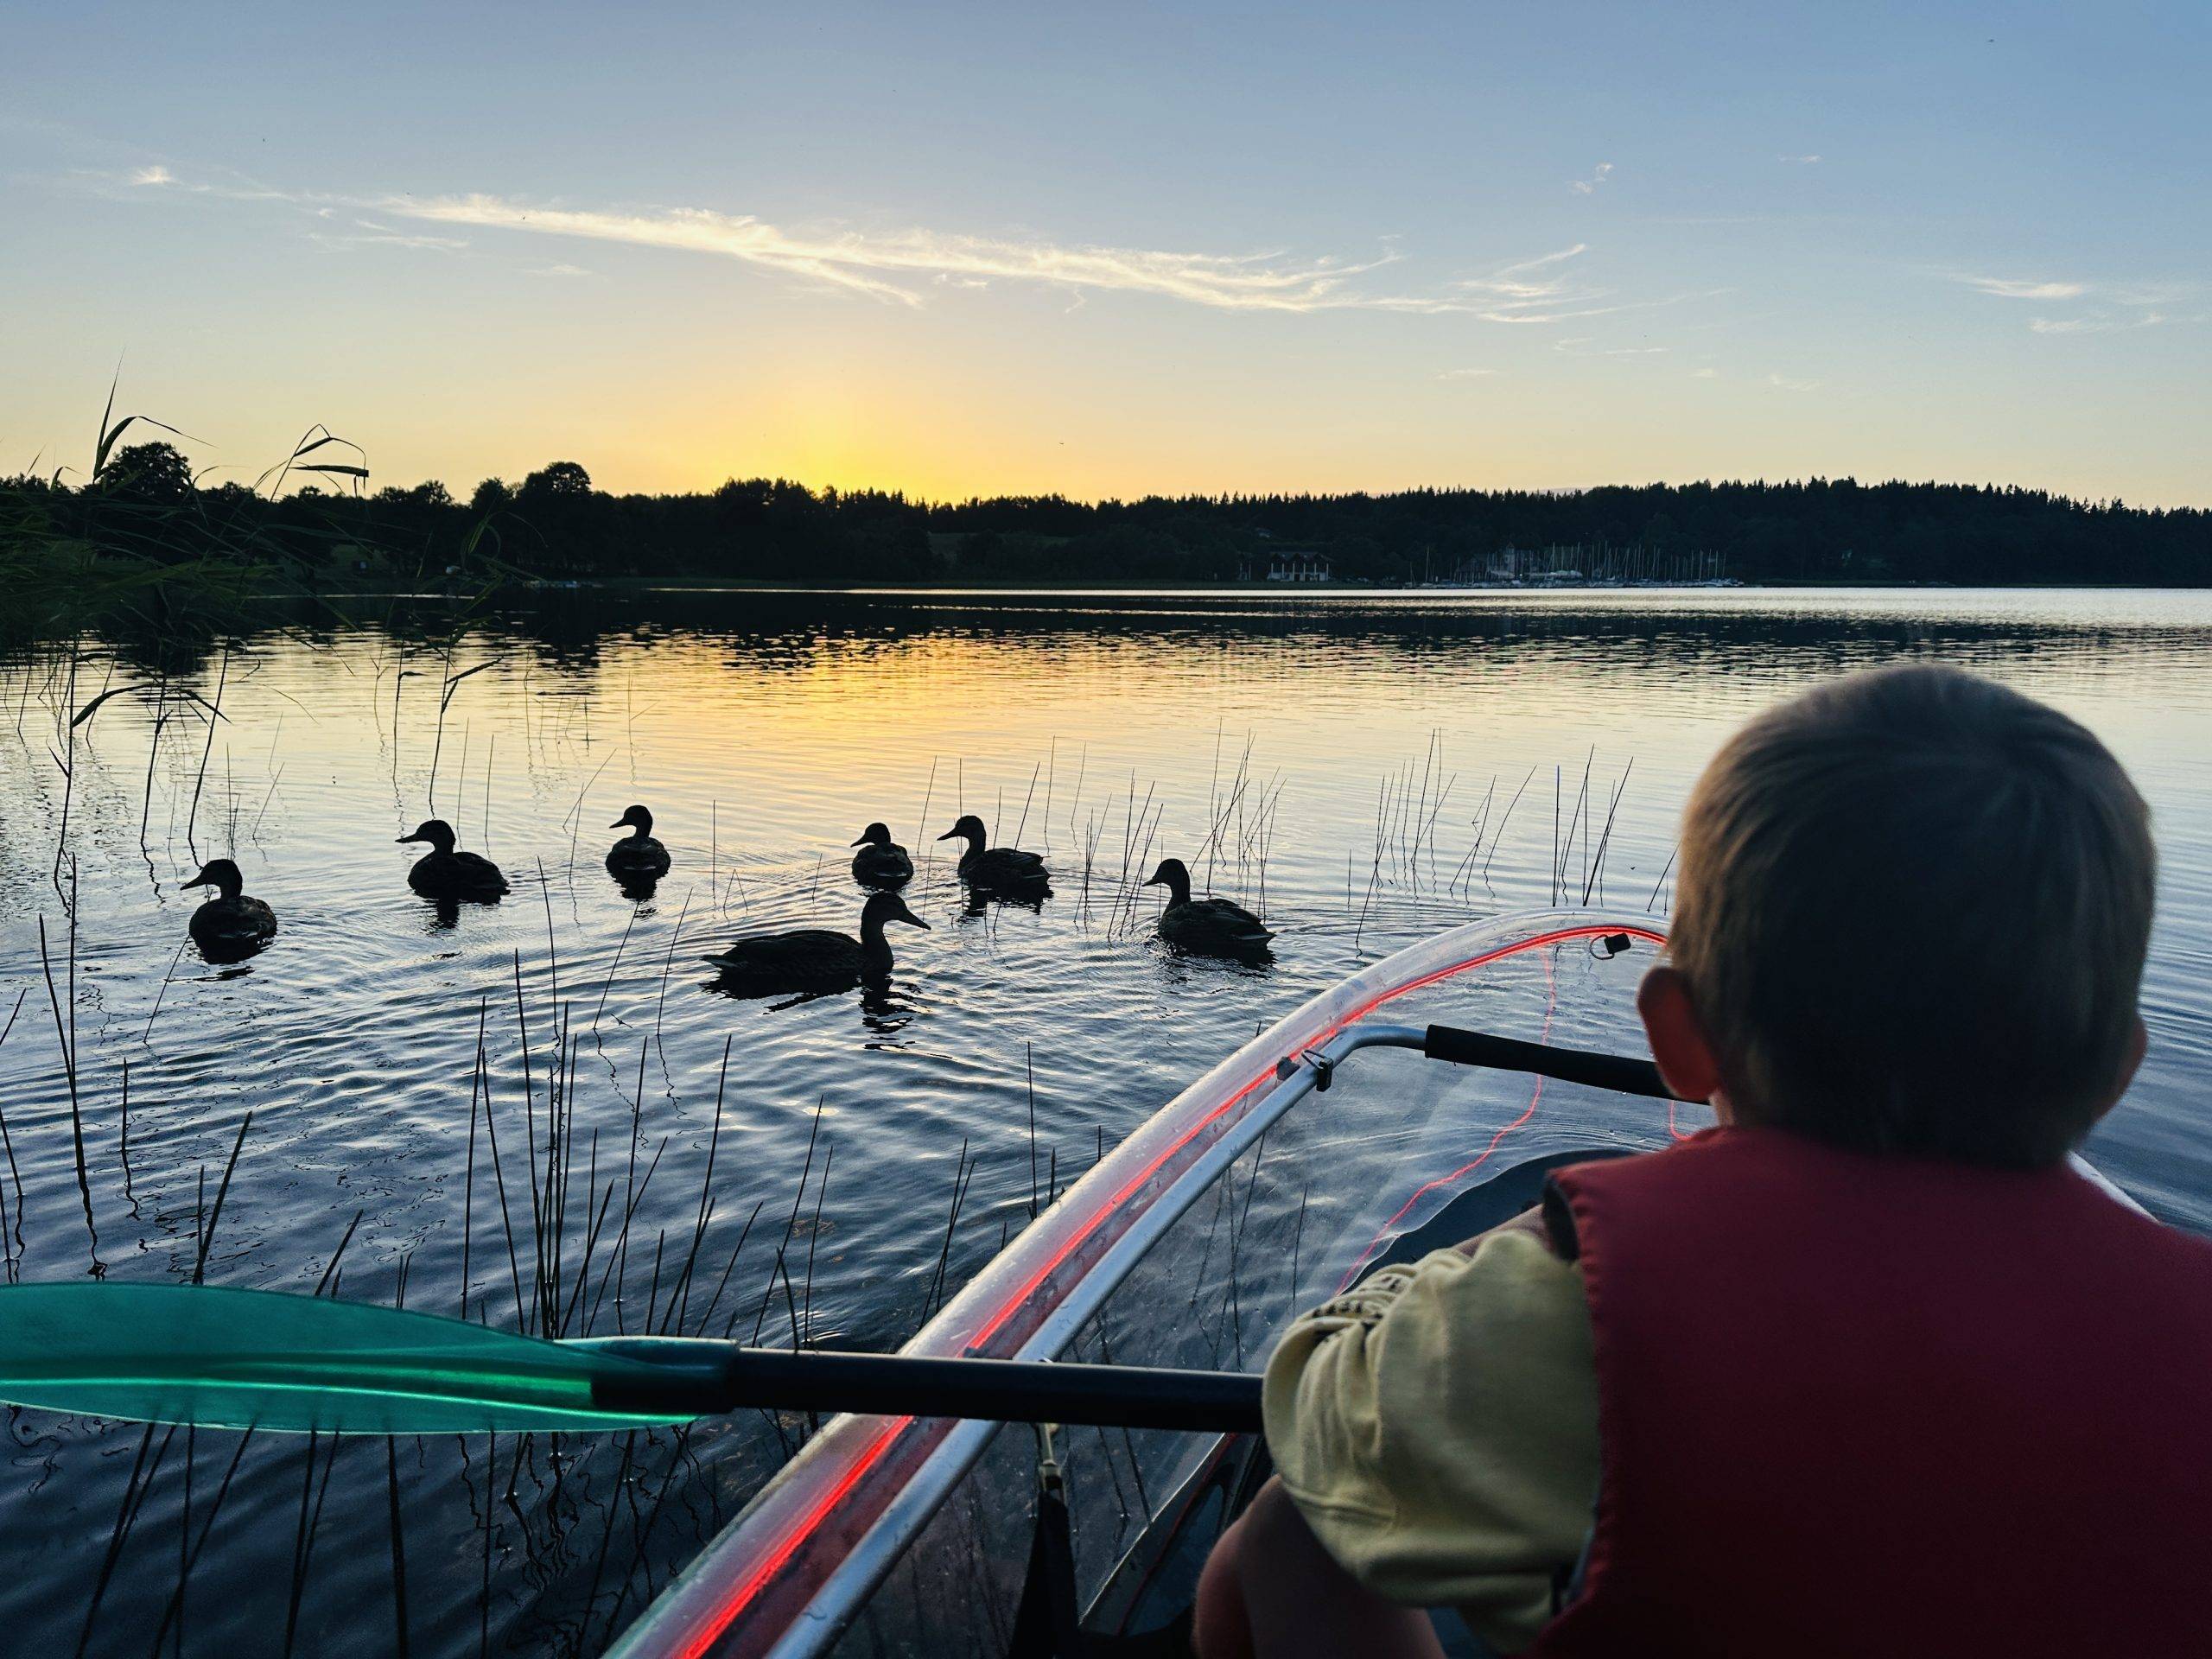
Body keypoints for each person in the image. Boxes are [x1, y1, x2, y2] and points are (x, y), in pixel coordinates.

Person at [1196, 663, 2212, 1658]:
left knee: (1296, 1531)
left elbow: (1322, 1413)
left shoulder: (1577, 1308)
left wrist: (1532, 1239)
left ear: (1677, 1040)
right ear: (2116, 1071)